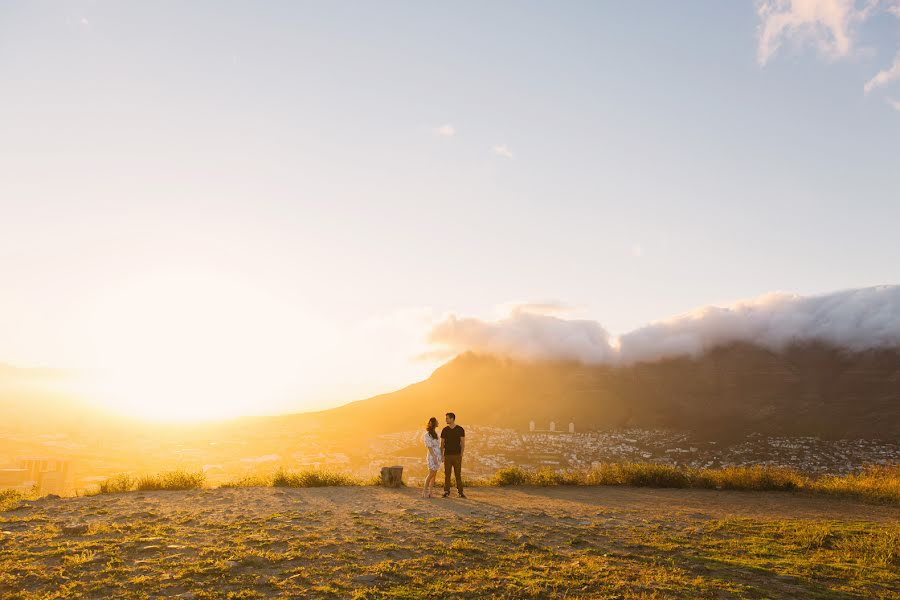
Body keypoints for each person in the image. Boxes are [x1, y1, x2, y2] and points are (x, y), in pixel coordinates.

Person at [440, 412, 466, 498]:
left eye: (447, 418)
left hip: (457, 455)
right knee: (447, 474)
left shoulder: (460, 429)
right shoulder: (444, 430)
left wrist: (461, 454)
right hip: (447, 455)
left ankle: (460, 492)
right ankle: (446, 491)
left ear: (452, 419)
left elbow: (462, 443)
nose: (446, 420)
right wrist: (442, 455)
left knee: (458, 474)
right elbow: (442, 444)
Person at [422, 417, 442, 498]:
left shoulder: (435, 433)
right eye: (437, 421)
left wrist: (439, 456)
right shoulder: (427, 435)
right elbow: (429, 447)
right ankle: (424, 492)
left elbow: (438, 446)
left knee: (434, 475)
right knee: (431, 474)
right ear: (433, 423)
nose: (438, 422)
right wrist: (434, 457)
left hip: (437, 456)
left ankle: (430, 492)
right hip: (432, 456)